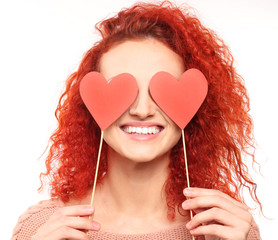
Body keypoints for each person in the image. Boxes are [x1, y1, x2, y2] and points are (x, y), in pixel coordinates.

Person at [11, 1, 262, 239]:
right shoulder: (43, 229)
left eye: (161, 89)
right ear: (90, 104)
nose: (142, 110)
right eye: (123, 89)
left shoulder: (226, 228)